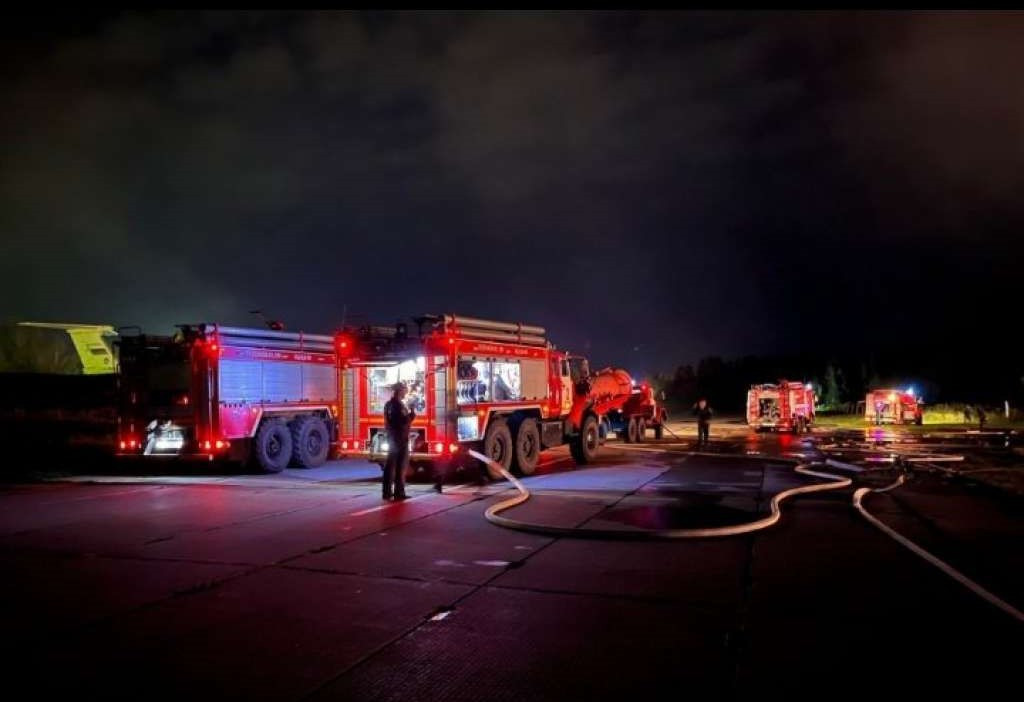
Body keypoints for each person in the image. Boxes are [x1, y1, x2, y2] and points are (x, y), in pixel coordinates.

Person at [383, 381, 415, 500]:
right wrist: (412, 414)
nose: (405, 392)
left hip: (393, 438)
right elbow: (402, 421)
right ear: (399, 391)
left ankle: (387, 492)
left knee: (390, 465)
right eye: (403, 390)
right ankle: (399, 493)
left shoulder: (388, 404)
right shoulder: (397, 405)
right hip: (400, 439)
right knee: (400, 466)